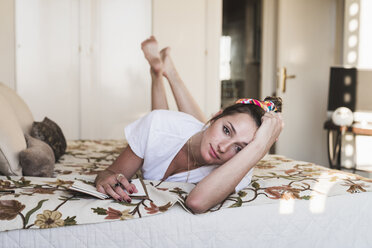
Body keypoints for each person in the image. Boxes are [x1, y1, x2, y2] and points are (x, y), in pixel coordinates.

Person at [95, 36, 284, 214]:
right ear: (216, 115)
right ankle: (163, 73)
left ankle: (161, 71)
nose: (223, 148)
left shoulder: (241, 165)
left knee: (174, 130)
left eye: (238, 148)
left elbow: (197, 202)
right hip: (175, 126)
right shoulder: (159, 125)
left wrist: (261, 146)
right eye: (226, 130)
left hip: (189, 129)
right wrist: (105, 176)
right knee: (161, 123)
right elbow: (111, 172)